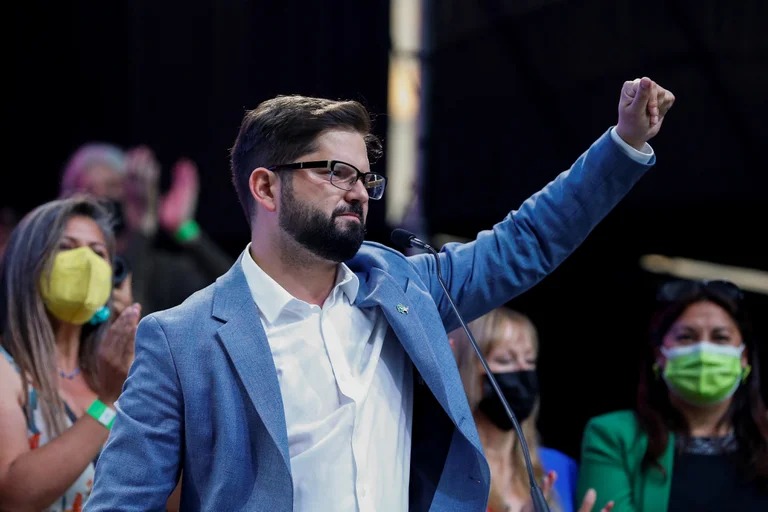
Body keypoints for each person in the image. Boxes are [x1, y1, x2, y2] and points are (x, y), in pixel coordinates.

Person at [85, 76, 675, 511]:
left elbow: (528, 241)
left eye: (365, 176)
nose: (359, 192)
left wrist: (622, 144)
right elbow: (121, 504)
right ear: (266, 186)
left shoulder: (404, 289)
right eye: (335, 172)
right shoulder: (180, 338)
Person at [577, 278, 768, 511]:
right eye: (686, 337)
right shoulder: (613, 436)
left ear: (744, 356)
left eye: (720, 338)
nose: (703, 351)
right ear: (660, 354)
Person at [0, 196, 140, 510]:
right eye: (66, 248)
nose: (86, 263)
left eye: (98, 253)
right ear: (29, 263)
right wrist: (106, 404)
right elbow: (13, 495)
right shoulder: (5, 371)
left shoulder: (115, 375)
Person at [451, 307, 613, 512]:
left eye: (529, 361)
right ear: (467, 370)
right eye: (505, 361)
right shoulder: (448, 478)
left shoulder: (560, 468)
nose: (522, 372)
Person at [58, 142, 234, 314]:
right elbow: (129, 322)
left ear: (130, 193)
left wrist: (184, 228)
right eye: (89, 189)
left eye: (112, 186)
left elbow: (241, 294)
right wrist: (141, 230)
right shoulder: (69, 269)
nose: (102, 197)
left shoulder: (163, 270)